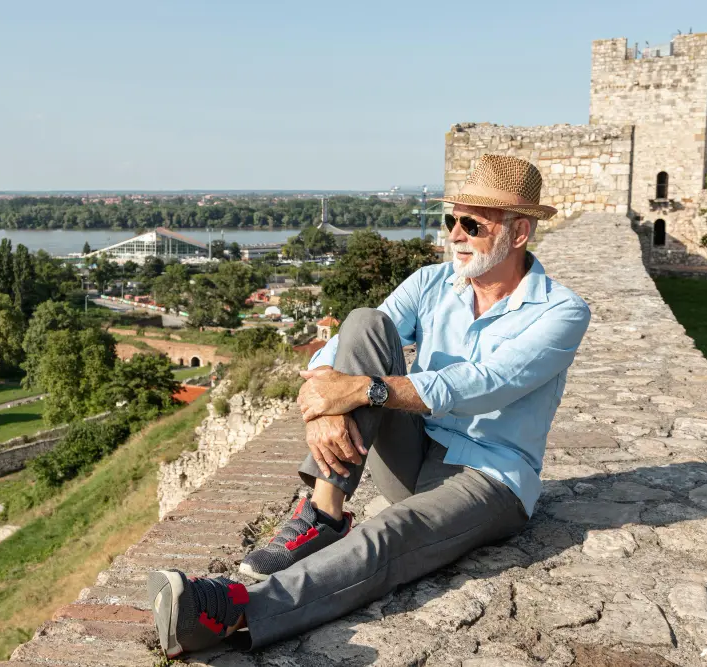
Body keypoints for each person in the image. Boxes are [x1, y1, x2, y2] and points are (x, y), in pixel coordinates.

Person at [147, 154, 591, 657]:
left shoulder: (561, 311)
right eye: (452, 220)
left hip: (489, 474)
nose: (455, 235)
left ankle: (235, 611)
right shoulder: (431, 282)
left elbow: (485, 382)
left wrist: (364, 391)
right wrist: (324, 396)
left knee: (394, 532)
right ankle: (324, 515)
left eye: (472, 223)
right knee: (363, 322)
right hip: (416, 449)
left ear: (519, 232)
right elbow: (343, 348)